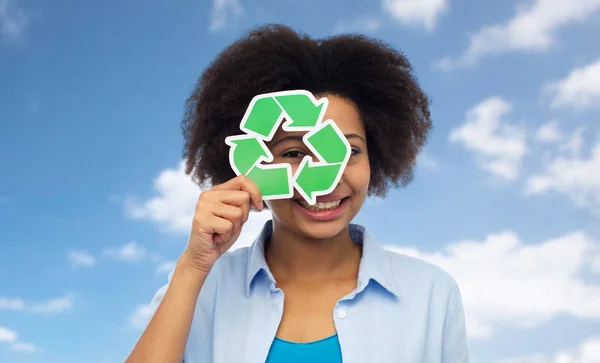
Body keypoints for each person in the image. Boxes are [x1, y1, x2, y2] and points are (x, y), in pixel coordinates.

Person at [124, 24, 470, 363]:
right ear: (251, 163)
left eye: (347, 152)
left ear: (375, 157)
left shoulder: (432, 294)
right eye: (293, 153)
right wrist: (192, 267)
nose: (324, 181)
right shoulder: (200, 288)